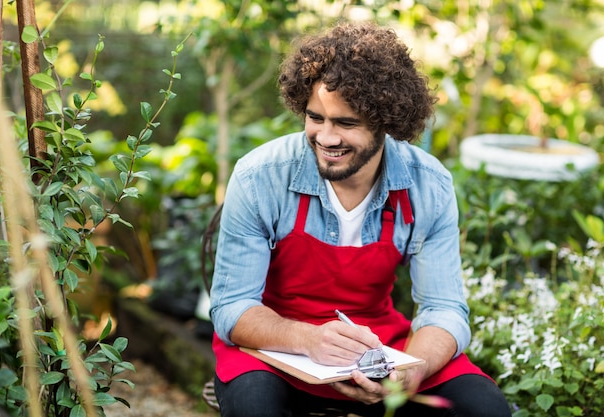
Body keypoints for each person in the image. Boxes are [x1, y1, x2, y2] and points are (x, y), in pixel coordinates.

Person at [209, 22, 511, 417]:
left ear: (385, 122)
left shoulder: (428, 184)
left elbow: (444, 308)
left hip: (375, 349)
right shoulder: (259, 176)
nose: (326, 138)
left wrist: (410, 372)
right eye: (315, 118)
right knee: (255, 405)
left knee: (485, 409)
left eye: (346, 123)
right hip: (277, 350)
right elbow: (232, 306)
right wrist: (308, 339)